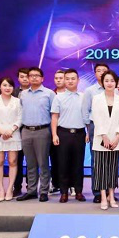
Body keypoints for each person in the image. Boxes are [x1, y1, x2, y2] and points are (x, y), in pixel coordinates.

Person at [51, 69, 88, 202]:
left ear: (78, 80)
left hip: (79, 134)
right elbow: (54, 117)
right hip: (63, 133)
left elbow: (87, 116)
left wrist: (88, 132)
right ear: (64, 80)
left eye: (73, 79)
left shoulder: (83, 97)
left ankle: (78, 191)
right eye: (67, 79)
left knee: (78, 164)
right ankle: (64, 192)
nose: (70, 81)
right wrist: (54, 134)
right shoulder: (58, 97)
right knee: (63, 163)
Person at [19, 67, 56, 202]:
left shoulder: (49, 93)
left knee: (43, 163)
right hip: (26, 131)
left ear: (42, 78)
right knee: (30, 163)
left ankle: (44, 191)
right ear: (28, 78)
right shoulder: (23, 94)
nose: (34, 78)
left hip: (42, 131)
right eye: (31, 75)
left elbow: (54, 114)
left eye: (37, 75)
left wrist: (53, 133)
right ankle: (31, 190)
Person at [90, 71, 119, 210]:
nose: (109, 83)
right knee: (100, 169)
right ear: (102, 83)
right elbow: (96, 118)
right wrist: (104, 135)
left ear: (116, 83)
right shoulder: (97, 98)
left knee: (112, 169)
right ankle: (103, 197)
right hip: (101, 139)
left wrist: (117, 136)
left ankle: (112, 196)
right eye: (106, 81)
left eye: (112, 81)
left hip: (116, 140)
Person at [82, 63, 109, 203]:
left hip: (111, 127)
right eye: (99, 71)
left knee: (110, 161)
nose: (101, 73)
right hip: (95, 127)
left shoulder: (113, 89)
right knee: (97, 160)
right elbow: (85, 111)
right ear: (95, 73)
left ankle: (109, 191)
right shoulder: (90, 91)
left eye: (104, 70)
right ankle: (98, 192)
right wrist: (89, 129)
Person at [11, 68, 29, 196]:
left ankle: (30, 186)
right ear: (18, 78)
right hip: (15, 130)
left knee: (31, 160)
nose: (25, 79)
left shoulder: (35, 92)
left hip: (29, 129)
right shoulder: (13, 92)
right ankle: (16, 187)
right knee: (16, 159)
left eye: (27, 76)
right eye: (22, 76)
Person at [49, 69, 66, 193]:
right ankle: (55, 183)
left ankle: (70, 184)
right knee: (54, 158)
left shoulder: (72, 94)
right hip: (53, 130)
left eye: (61, 78)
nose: (58, 80)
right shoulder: (51, 94)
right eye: (56, 78)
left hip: (67, 130)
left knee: (68, 158)